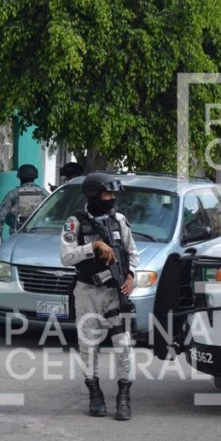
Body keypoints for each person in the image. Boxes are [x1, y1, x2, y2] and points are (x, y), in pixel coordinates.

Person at [59, 173, 139, 420]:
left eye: (113, 194)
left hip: (116, 292)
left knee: (124, 344)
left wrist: (131, 276)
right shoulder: (75, 223)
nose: (112, 198)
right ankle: (94, 393)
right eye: (107, 193)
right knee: (88, 346)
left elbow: (133, 253)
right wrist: (93, 247)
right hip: (88, 292)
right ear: (93, 196)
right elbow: (66, 256)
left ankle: (124, 396)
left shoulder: (119, 220)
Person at [0, 164, 48, 239]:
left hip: (17, 236)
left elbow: (1, 216)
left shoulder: (13, 193)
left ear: (19, 177)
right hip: (39, 235)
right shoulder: (43, 193)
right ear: (35, 176)